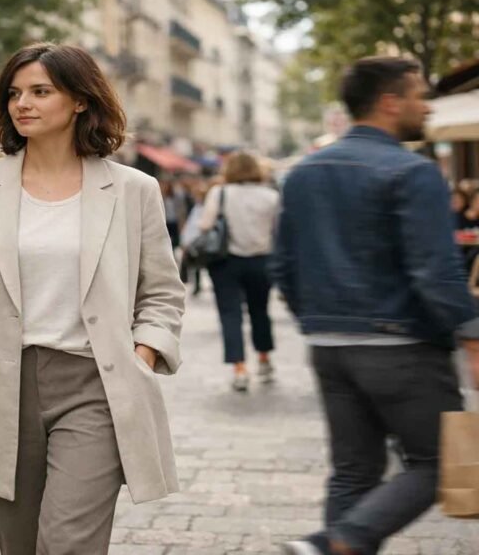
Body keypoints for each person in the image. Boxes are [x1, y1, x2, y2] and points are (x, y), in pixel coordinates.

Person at [0, 43, 186, 555]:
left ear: (80, 100)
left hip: (94, 384)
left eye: (40, 91)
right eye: (14, 93)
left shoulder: (132, 189)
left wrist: (141, 354)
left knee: (67, 541)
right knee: (17, 542)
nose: (22, 104)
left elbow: (163, 292)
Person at [273, 57, 479, 555]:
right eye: (419, 96)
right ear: (390, 102)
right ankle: (340, 540)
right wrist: (472, 333)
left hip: (329, 346)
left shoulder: (304, 172)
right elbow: (435, 270)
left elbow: (282, 266)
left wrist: (320, 320)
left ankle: (327, 546)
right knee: (439, 462)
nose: (426, 108)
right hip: (400, 345)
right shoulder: (414, 172)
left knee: (353, 471)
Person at [199, 152, 279, 391]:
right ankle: (264, 359)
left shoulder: (220, 193)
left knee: (230, 314)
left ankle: (240, 369)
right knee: (260, 311)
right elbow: (279, 230)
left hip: (226, 262)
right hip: (261, 260)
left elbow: (205, 225)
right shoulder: (271, 196)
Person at [179, 180, 208, 296]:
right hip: (194, 240)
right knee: (195, 265)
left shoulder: (202, 208)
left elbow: (197, 225)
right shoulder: (197, 207)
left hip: (199, 240)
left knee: (198, 264)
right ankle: (196, 285)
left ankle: (197, 285)